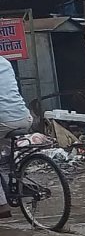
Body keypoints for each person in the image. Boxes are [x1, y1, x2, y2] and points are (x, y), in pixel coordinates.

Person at [0, 55, 33, 219]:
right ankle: (17, 179)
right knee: (7, 153)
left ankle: (2, 205)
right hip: (23, 117)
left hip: (3, 121)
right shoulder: (5, 62)